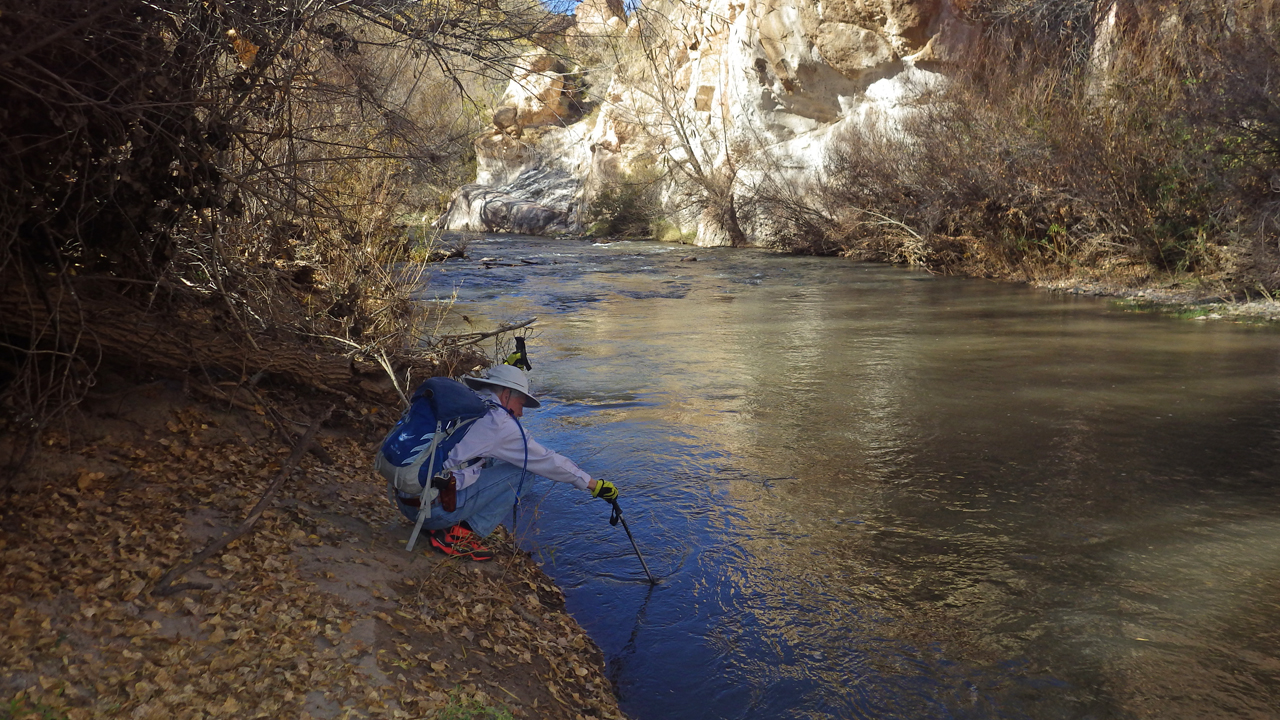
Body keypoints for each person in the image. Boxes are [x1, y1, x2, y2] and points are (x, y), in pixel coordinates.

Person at [388, 364, 619, 561]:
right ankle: (458, 534)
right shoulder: (500, 423)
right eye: (521, 403)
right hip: (431, 512)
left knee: (487, 462)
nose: (521, 413)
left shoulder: (469, 404)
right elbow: (548, 461)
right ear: (506, 394)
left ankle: (444, 524)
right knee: (525, 472)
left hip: (407, 501)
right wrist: (592, 484)